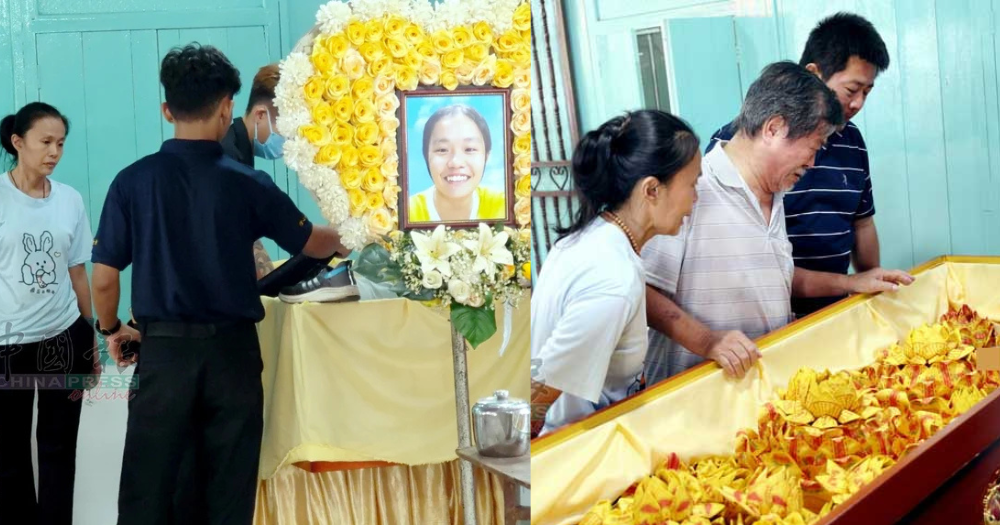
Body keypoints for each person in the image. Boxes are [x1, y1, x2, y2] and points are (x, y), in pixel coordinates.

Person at [90, 44, 348, 525]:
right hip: (233, 359)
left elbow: (104, 278)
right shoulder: (248, 183)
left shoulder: (132, 182)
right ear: (228, 106)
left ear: (167, 109)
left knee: (148, 492)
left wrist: (112, 330)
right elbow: (311, 242)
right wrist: (356, 232)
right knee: (228, 493)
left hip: (163, 357)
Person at [643, 62, 914, 386]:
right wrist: (708, 342)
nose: (812, 163)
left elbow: (776, 275)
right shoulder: (691, 188)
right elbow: (643, 292)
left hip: (763, 388)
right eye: (813, 147)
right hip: (698, 400)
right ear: (773, 129)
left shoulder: (775, 191)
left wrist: (852, 283)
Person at [708, 13, 890, 317]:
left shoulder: (853, 141)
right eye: (851, 90)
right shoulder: (739, 145)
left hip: (833, 302)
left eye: (867, 93)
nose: (858, 103)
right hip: (767, 312)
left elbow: (863, 222)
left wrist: (869, 284)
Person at [530, 110, 701, 435]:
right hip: (579, 453)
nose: (695, 197)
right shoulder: (611, 281)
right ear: (651, 190)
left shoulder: (593, 239)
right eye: (692, 184)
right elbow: (536, 392)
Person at [0, 102, 100, 524]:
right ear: (17, 142)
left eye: (60, 143)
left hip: (64, 336)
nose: (54, 152)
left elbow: (78, 271)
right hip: (7, 344)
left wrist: (90, 334)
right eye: (45, 142)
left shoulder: (70, 200)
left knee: (60, 448)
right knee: (8, 455)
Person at [408, 104, 506, 223]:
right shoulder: (407, 212)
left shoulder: (506, 206)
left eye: (469, 149)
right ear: (426, 156)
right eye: (442, 150)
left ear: (486, 156)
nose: (456, 162)